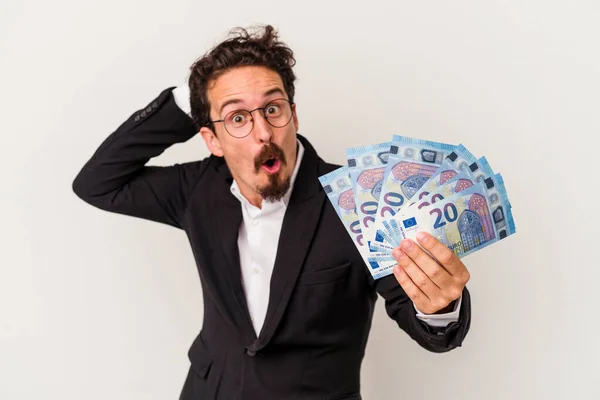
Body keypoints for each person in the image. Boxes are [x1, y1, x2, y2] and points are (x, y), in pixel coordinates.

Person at [72, 24, 472, 400]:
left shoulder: (358, 199)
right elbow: (98, 183)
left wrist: (439, 306)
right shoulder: (198, 189)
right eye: (238, 118)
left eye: (273, 109)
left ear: (293, 116)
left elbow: (429, 328)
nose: (263, 131)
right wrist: (188, 100)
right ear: (211, 138)